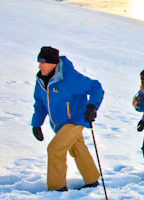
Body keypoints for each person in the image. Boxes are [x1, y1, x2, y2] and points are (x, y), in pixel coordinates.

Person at [31, 46, 103, 192]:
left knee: (55, 149)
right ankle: (92, 180)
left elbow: (96, 87)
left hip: (75, 120)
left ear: (53, 64)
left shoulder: (69, 77)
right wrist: (36, 124)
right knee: (78, 149)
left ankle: (57, 187)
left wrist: (92, 107)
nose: (39, 66)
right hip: (59, 124)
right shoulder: (40, 81)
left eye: (43, 62)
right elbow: (40, 105)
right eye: (39, 62)